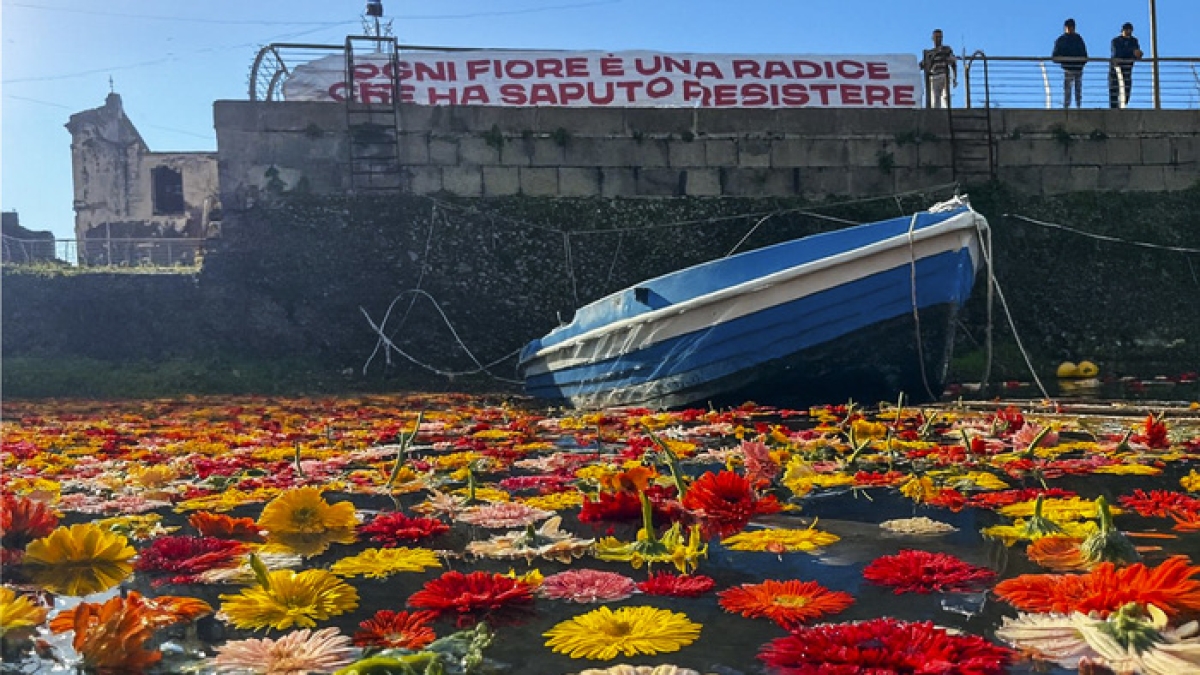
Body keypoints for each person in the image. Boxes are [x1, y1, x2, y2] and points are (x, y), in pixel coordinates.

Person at [1052, 18, 1088, 108]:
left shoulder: (1078, 39)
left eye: (1071, 27)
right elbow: (1055, 56)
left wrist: (1081, 63)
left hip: (1078, 68)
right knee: (1067, 90)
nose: (1070, 29)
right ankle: (1067, 106)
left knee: (1078, 89)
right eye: (1068, 27)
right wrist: (1065, 60)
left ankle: (1078, 106)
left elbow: (1084, 54)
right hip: (1068, 68)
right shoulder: (1061, 40)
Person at [1108, 22, 1143, 108]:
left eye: (1130, 30)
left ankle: (1123, 106)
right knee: (1114, 90)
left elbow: (1136, 53)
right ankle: (1114, 110)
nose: (1128, 31)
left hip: (1127, 69)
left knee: (1126, 91)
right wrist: (1131, 52)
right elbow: (1117, 53)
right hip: (1115, 69)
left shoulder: (1134, 41)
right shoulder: (1116, 41)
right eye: (1126, 30)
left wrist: (1138, 54)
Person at [920, 29, 957, 108]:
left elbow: (953, 63)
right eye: (936, 37)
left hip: (945, 75)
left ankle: (947, 111)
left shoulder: (946, 49)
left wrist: (954, 77)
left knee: (946, 96)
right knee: (936, 98)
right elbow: (923, 64)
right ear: (933, 38)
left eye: (940, 37)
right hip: (934, 76)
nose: (938, 39)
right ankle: (937, 113)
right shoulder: (930, 53)